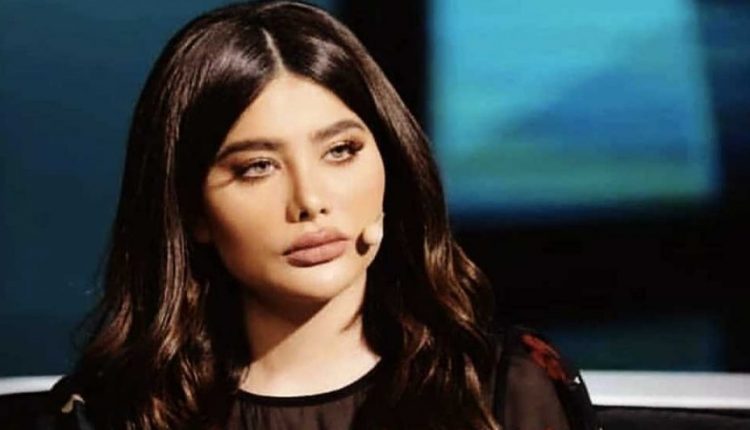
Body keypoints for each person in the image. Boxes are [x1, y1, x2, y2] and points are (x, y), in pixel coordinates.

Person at [8, 1, 600, 429]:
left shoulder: (501, 392)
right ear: (192, 212)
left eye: (340, 151)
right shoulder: (109, 414)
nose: (310, 201)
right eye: (257, 167)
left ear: (391, 164)